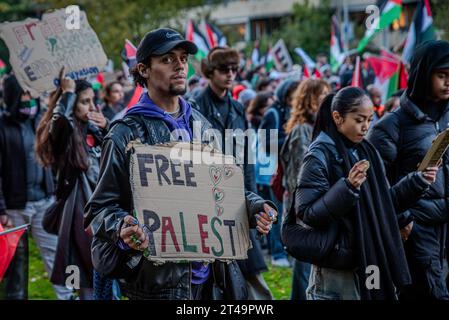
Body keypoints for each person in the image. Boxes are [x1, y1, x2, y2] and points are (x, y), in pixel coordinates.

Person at [84, 28, 277, 300]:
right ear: (144, 69)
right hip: (159, 283)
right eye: (167, 59)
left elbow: (221, 190)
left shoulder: (202, 125)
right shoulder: (124, 133)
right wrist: (122, 227)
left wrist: (254, 206)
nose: (179, 66)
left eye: (183, 58)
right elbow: (99, 210)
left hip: (211, 279)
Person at [295, 87, 438, 300]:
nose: (365, 127)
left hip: (369, 257)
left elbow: (384, 203)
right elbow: (307, 214)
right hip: (337, 267)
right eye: (359, 119)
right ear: (338, 118)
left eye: (370, 120)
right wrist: (347, 188)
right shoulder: (318, 156)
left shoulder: (366, 151)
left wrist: (417, 181)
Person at [368, 40, 449, 300]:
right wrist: (403, 220)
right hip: (417, 230)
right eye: (442, 75)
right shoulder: (391, 126)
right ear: (423, 75)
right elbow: (374, 184)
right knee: (427, 294)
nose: (448, 82)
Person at [193, 47, 274, 300]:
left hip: (238, 195)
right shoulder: (196, 105)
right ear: (210, 71)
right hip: (207, 198)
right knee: (212, 275)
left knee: (250, 271)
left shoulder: (238, 108)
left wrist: (252, 196)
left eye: (234, 70)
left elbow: (247, 158)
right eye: (224, 69)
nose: (230, 75)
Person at [35, 70, 108, 300]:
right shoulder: (64, 134)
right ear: (71, 104)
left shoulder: (91, 129)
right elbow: (59, 124)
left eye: (92, 100)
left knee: (104, 283)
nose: (91, 106)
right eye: (85, 101)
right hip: (77, 218)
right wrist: (66, 94)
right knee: (86, 284)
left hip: (99, 214)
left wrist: (106, 127)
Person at [0, 75, 72, 300]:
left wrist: (64, 94)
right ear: (12, 96)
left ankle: (69, 296)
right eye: (24, 94)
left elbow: (60, 127)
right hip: (13, 209)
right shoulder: (1, 127)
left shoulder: (40, 121)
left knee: (57, 254)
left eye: (32, 94)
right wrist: (1, 210)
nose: (29, 99)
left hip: (44, 203)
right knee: (16, 264)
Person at [281, 78, 330, 300]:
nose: (327, 99)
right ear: (310, 99)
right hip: (303, 209)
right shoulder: (302, 131)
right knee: (303, 266)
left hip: (313, 208)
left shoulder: (318, 129)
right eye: (322, 95)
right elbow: (297, 177)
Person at [258, 79, 300, 268]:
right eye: (292, 93)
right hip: (269, 172)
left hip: (281, 171)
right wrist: (292, 139)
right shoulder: (273, 112)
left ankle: (284, 249)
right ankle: (277, 253)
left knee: (284, 212)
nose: (295, 97)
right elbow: (266, 142)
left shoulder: (289, 112)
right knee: (274, 213)